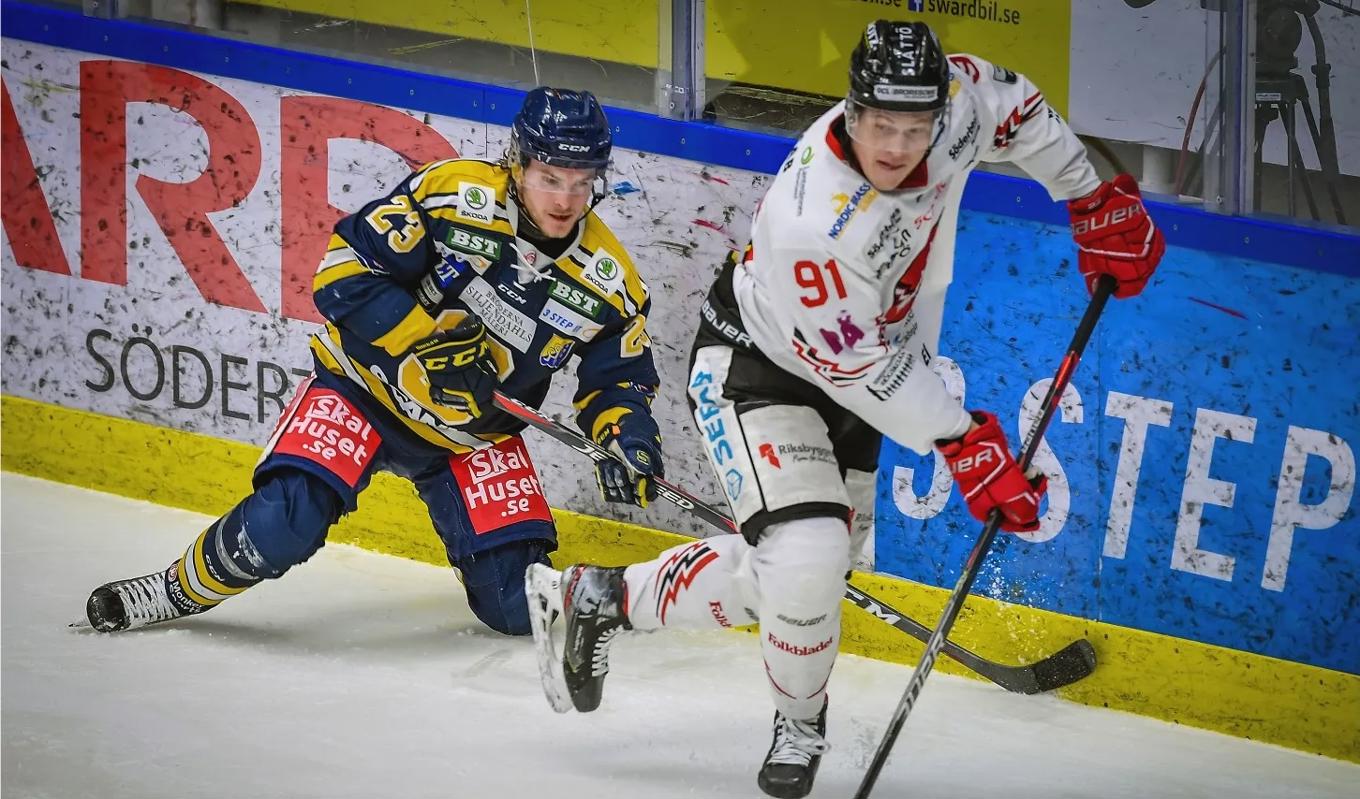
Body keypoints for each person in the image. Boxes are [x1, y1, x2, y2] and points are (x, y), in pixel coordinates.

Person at [526, 20, 1164, 799]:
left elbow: (1015, 107)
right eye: (879, 126)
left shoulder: (953, 107)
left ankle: (603, 597)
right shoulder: (813, 223)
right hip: (759, 369)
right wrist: (963, 443)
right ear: (850, 111)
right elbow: (862, 369)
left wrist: (1088, 196)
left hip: (869, 362)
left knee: (803, 580)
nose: (896, 146)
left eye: (913, 127)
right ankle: (801, 720)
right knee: (806, 560)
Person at [82, 87, 665, 638]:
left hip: (472, 439)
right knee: (280, 526)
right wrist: (426, 336)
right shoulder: (452, 194)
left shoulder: (608, 282)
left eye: (580, 182)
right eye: (549, 178)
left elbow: (619, 382)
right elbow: (341, 276)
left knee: (517, 607)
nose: (564, 200)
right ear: (517, 163)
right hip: (363, 390)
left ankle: (617, 592)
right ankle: (168, 589)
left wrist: (626, 439)